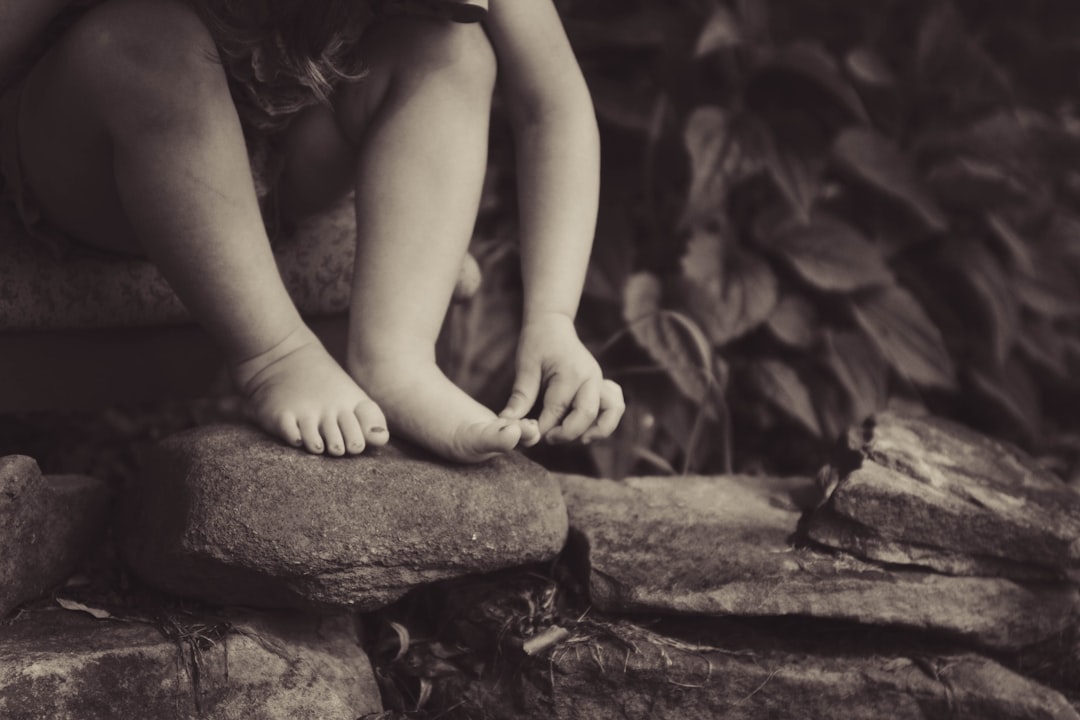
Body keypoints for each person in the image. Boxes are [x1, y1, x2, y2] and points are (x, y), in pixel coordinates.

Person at [0, 0, 624, 463]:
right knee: (140, 38)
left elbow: (551, 107)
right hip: (100, 172)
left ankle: (397, 357)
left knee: (451, 47)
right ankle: (275, 354)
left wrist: (553, 318)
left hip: (283, 161)